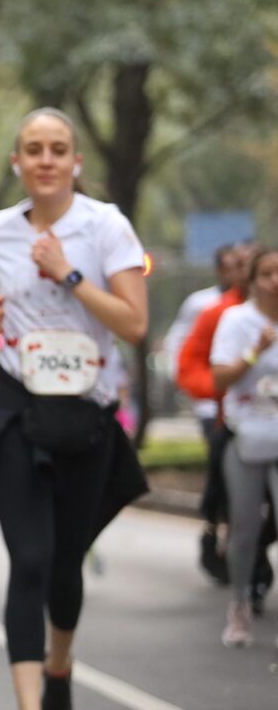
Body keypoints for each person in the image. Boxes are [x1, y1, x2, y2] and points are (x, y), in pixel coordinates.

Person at [0, 107, 149, 710]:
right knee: (31, 560)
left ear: (75, 162)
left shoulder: (106, 227)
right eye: (34, 149)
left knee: (66, 565)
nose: (46, 160)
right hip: (14, 405)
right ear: (17, 162)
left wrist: (68, 276)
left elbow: (136, 323)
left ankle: (59, 666)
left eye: (57, 149)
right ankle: (30, 701)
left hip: (85, 414)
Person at [177, 242, 275, 599]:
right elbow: (191, 366)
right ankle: (240, 582)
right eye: (240, 265)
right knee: (237, 510)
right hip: (227, 421)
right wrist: (216, 393)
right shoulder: (218, 313)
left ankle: (256, 567)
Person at [210, 246, 278, 647]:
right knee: (245, 527)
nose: (275, 281)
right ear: (252, 280)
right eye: (267, 273)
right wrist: (255, 352)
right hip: (247, 435)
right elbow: (220, 378)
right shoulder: (237, 320)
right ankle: (239, 604)